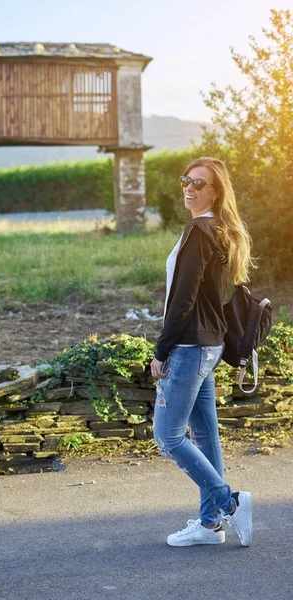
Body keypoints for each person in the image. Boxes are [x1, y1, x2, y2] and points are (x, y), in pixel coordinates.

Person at [150, 156, 256, 547]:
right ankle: (210, 525)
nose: (189, 188)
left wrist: (162, 350)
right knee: (206, 436)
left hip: (190, 346)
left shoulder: (200, 231)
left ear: (216, 191)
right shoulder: (219, 231)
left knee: (168, 436)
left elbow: (184, 298)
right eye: (186, 180)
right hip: (208, 345)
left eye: (200, 183)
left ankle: (229, 502)